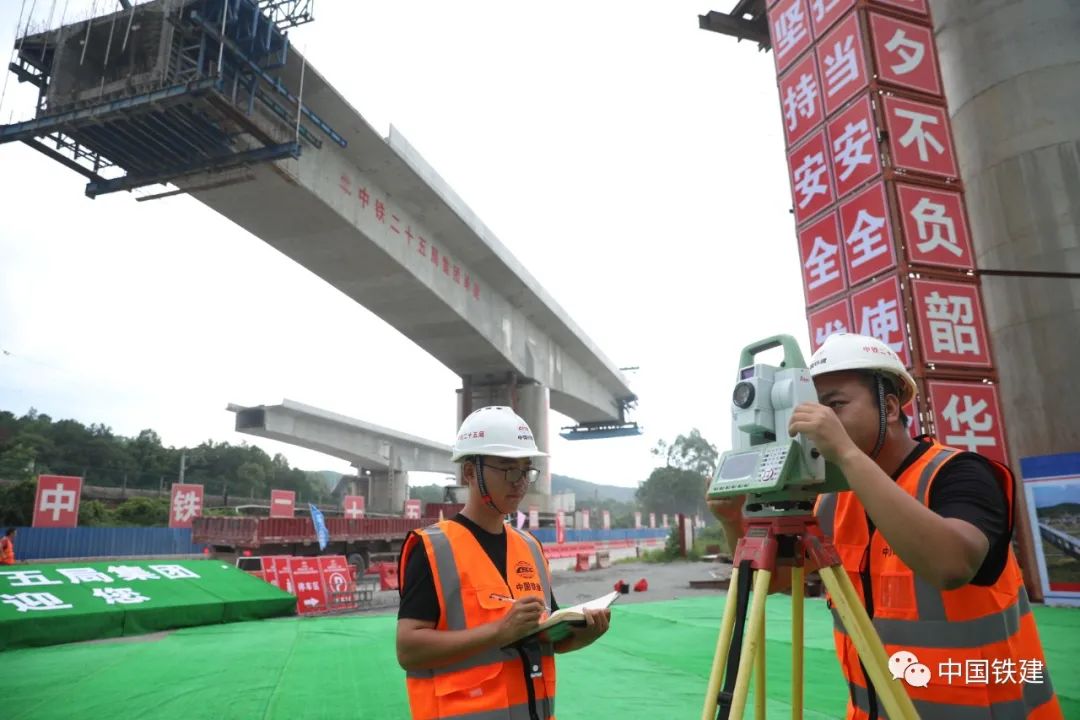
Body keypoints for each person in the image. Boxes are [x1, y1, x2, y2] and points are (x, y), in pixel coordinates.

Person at [709, 333, 1062, 719]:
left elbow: (951, 565)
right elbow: (774, 580)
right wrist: (733, 522)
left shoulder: (960, 475)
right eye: (810, 407)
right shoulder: (832, 500)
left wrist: (844, 452)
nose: (818, 420)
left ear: (890, 407)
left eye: (835, 406)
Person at [396, 406, 610, 720]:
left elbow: (544, 639)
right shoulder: (433, 548)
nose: (520, 482)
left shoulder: (530, 547)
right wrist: (498, 632)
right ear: (470, 472)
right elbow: (408, 650)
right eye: (508, 469)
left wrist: (581, 635)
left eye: (526, 470)